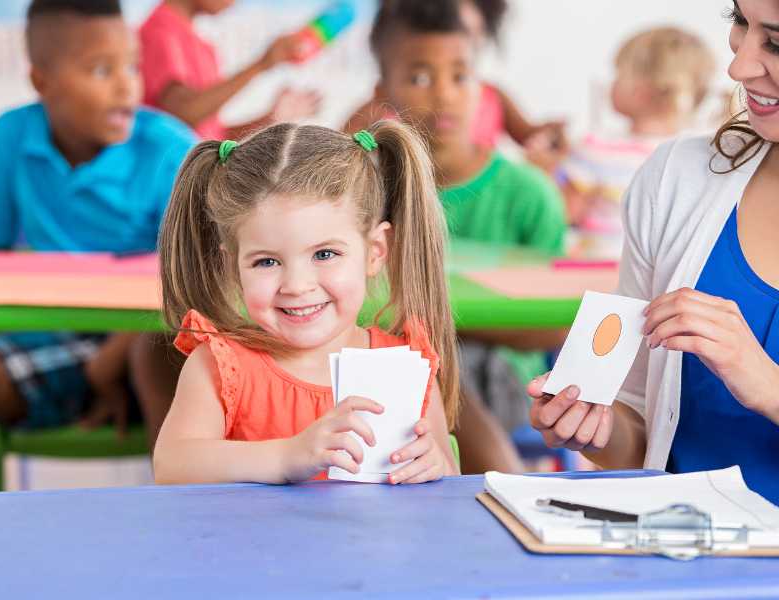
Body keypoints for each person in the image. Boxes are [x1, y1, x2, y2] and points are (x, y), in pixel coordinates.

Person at [528, 0, 779, 504]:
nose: (738, 65)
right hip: (682, 562)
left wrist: (768, 387)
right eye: (739, 23)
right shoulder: (676, 181)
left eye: (775, 41)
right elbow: (646, 438)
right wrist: (595, 428)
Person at [152, 121, 461, 485]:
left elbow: (449, 482)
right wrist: (286, 456)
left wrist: (435, 466)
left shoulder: (405, 366)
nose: (297, 286)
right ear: (233, 266)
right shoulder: (221, 367)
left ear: (375, 251)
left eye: (325, 254)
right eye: (266, 262)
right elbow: (171, 464)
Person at [368, 0, 568, 474]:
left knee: (430, 361)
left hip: (498, 379)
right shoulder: (368, 188)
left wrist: (431, 320)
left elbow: (554, 327)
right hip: (385, 370)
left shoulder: (528, 193)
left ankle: (503, 488)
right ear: (383, 91)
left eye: (460, 76)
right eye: (420, 78)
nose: (444, 95)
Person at [0, 0, 196, 432]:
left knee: (160, 353)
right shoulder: (12, 135)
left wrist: (109, 360)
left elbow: (193, 281)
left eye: (133, 67)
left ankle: (176, 489)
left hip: (151, 338)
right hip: (48, 338)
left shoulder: (171, 150)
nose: (126, 87)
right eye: (101, 70)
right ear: (42, 82)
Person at [544, 27, 715, 259]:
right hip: (662, 273)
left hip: (596, 266)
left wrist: (546, 168)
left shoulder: (596, 148)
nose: (612, 82)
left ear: (641, 91)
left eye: (618, 73)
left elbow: (567, 211)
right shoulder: (700, 153)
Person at [343, 0, 566, 153]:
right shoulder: (382, 106)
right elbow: (341, 147)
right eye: (420, 79)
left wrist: (546, 136)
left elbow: (527, 135)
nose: (445, 96)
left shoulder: (492, 95)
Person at [139, 0, 320, 140]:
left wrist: (271, 119)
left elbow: (214, 140)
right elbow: (182, 112)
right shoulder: (159, 31)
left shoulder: (205, 48)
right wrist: (262, 64)